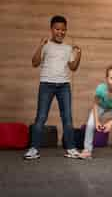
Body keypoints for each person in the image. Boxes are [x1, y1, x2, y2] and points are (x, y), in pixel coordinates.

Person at [24, 15, 82, 160]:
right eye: (57, 29)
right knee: (41, 117)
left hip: (64, 86)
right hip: (46, 84)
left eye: (63, 30)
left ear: (66, 31)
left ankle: (71, 148)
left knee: (67, 118)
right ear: (51, 29)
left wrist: (79, 54)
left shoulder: (68, 48)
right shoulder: (46, 46)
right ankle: (33, 149)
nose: (60, 32)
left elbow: (73, 67)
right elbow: (34, 63)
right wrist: (40, 45)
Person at [79, 64, 112, 160]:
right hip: (100, 106)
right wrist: (97, 121)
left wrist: (110, 123)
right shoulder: (101, 89)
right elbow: (95, 105)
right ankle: (87, 150)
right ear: (106, 79)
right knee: (90, 124)